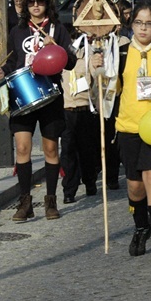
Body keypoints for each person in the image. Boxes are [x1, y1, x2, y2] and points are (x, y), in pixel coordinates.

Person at [93, 0, 151, 260]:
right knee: (135, 187)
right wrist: (97, 69)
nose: (143, 28)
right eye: (139, 22)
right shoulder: (119, 55)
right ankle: (142, 228)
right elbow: (107, 92)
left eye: (149, 23)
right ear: (131, 25)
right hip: (128, 128)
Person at [0, 0, 77, 221]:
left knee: (50, 149)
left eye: (40, 1)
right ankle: (25, 202)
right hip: (24, 94)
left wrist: (55, 48)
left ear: (47, 3)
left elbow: (70, 62)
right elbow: (14, 61)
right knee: (22, 148)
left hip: (50, 95)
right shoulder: (17, 31)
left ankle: (50, 201)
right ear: (25, 6)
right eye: (31, 2)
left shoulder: (57, 29)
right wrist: (2, 71)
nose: (36, 5)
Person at [60, 41, 100, 204]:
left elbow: (96, 81)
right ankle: (69, 190)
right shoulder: (60, 58)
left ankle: (90, 182)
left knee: (87, 150)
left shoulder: (89, 56)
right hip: (66, 109)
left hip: (85, 109)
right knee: (68, 152)